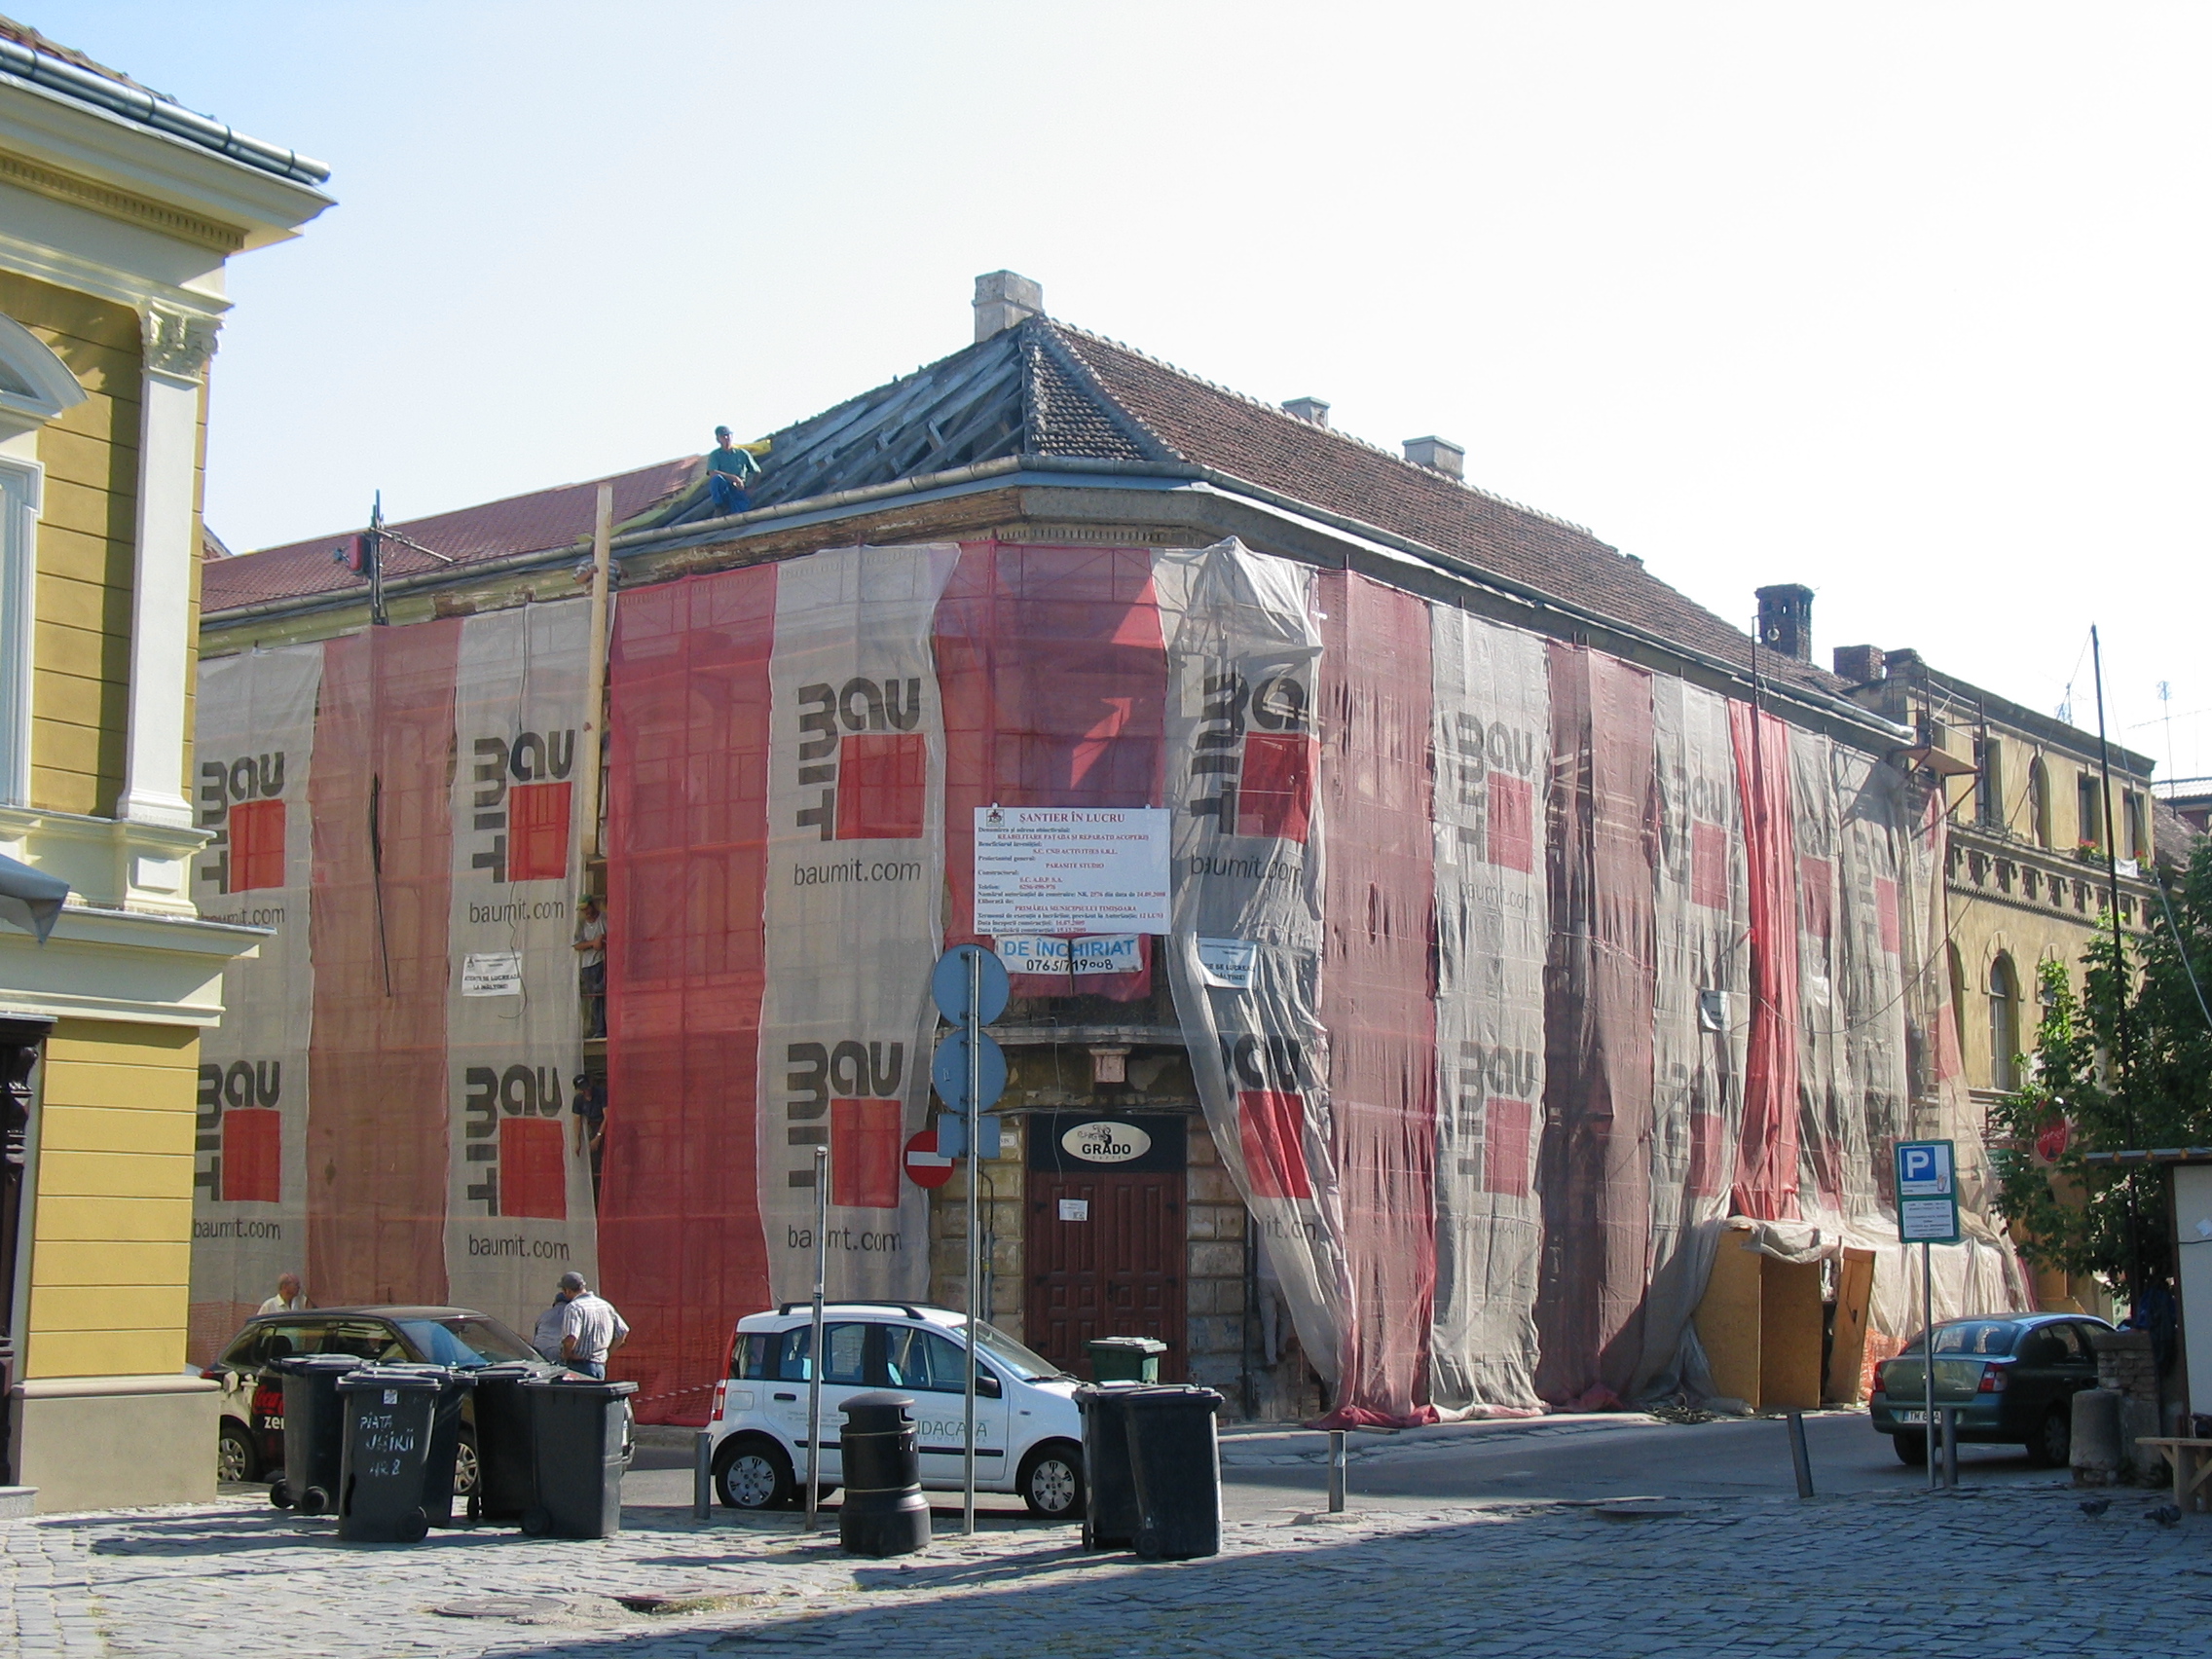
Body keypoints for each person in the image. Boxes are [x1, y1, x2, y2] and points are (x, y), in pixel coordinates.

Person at [556, 1272, 628, 1379]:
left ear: (568, 1290)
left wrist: (566, 1356)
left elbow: (571, 1338)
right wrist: (607, 1354)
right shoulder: (605, 1305)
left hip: (579, 1366)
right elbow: (623, 1332)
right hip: (599, 1366)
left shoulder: (574, 1307)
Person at [705, 425, 759, 515]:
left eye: (728, 435)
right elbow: (712, 473)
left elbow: (757, 471)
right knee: (716, 479)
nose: (726, 438)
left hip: (738, 489)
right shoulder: (715, 455)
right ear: (718, 439)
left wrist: (752, 488)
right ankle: (719, 506)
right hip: (725, 488)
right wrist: (734, 478)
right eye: (723, 436)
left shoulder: (742, 453)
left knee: (740, 515)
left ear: (732, 436)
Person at [573, 896, 607, 1040]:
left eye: (587, 908)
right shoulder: (581, 924)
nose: (586, 912)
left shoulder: (604, 918)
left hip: (604, 962)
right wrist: (593, 943)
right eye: (583, 910)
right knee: (593, 997)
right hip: (588, 965)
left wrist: (602, 939)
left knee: (602, 993)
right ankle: (596, 1027)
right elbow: (576, 945)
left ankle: (603, 1027)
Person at [531, 1288, 570, 1363]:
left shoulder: (545, 1314)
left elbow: (536, 1334)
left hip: (539, 1350)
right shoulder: (571, 1314)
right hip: (558, 1352)